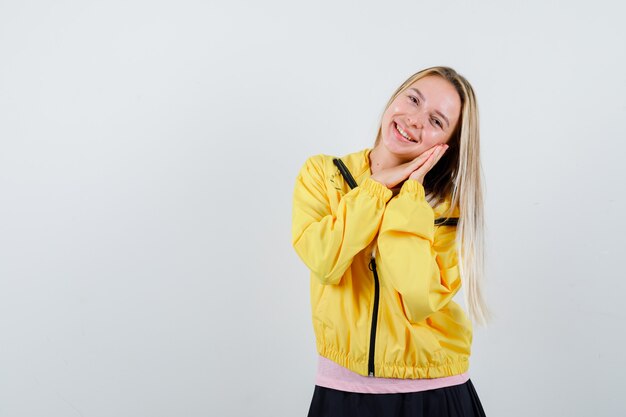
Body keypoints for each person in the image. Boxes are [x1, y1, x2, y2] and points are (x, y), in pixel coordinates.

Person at [291, 66, 491, 417]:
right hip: (342, 392)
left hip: (435, 394)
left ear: (447, 145)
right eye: (413, 99)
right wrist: (376, 188)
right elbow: (324, 260)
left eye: (436, 121)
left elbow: (417, 297)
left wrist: (410, 192)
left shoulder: (451, 209)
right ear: (395, 97)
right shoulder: (323, 174)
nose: (414, 120)